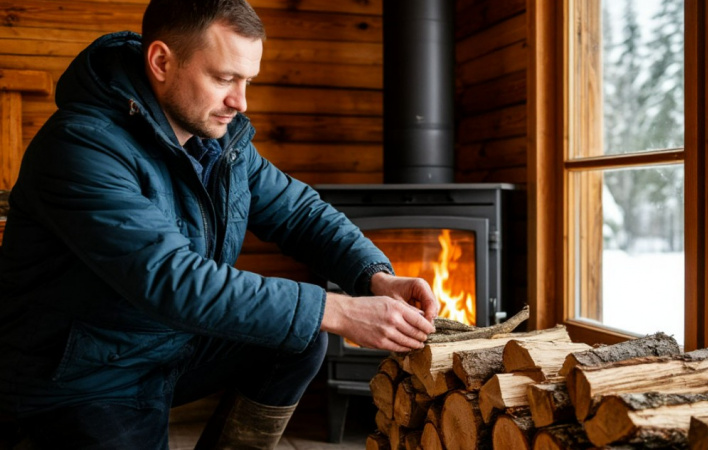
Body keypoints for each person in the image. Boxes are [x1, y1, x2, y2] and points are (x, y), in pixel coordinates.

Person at [0, 0, 439, 448]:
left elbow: (299, 212)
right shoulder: (82, 146)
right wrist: (338, 310)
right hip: (81, 378)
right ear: (161, 62)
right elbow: (172, 279)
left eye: (247, 80)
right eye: (224, 78)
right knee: (311, 323)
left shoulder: (219, 142)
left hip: (163, 347)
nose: (240, 101)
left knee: (297, 341)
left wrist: (375, 277)